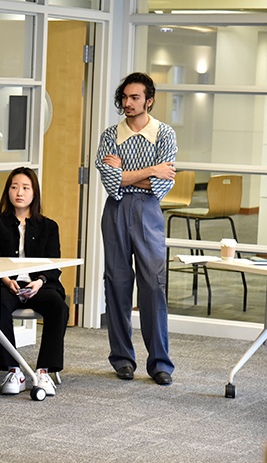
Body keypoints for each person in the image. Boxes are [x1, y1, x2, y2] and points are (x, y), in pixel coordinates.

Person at [95, 72, 177, 386]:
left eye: (135, 98)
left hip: (148, 210)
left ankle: (160, 363)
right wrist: (149, 170)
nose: (128, 104)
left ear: (149, 100)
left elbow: (160, 184)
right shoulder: (109, 135)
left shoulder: (165, 134)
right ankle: (122, 359)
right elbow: (110, 182)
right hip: (115, 210)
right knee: (116, 283)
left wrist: (126, 173)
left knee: (153, 285)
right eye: (125, 98)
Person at [0, 167, 68, 396]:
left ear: (34, 193)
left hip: (38, 285)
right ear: (7, 192)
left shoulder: (49, 226)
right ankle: (13, 371)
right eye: (14, 187)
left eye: (25, 188)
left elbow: (52, 265)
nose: (19, 192)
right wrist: (7, 279)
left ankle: (43, 371)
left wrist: (39, 281)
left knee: (58, 306)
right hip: (5, 283)